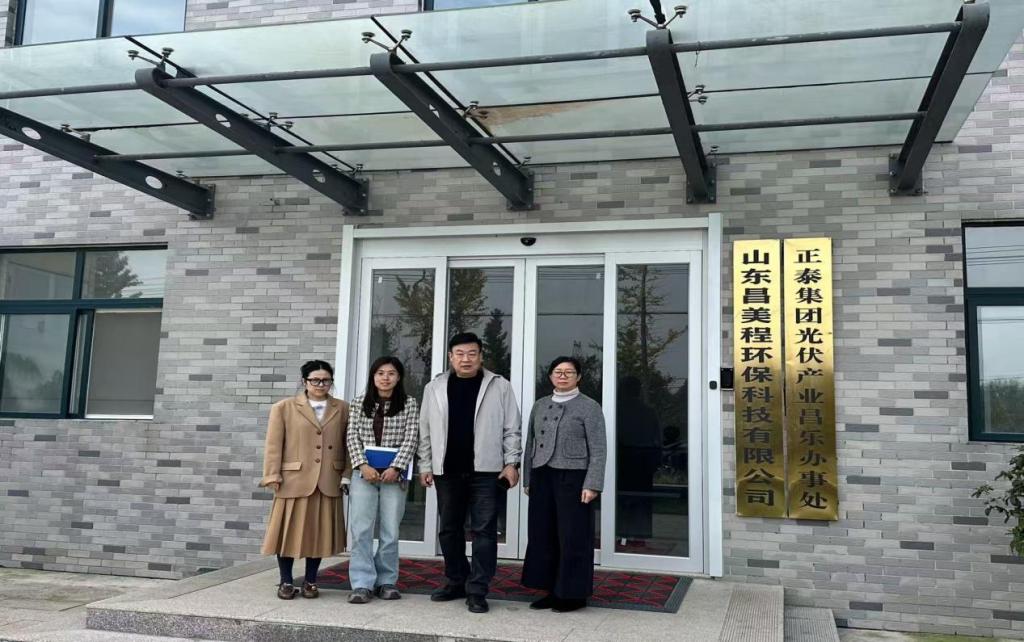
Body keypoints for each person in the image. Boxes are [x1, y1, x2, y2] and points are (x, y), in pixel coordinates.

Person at [418, 332, 522, 614]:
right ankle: (456, 580)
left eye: (472, 353)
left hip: (486, 472)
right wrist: (425, 464)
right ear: (450, 357)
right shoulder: (434, 387)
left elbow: (512, 428)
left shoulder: (499, 386)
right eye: (460, 354)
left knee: (484, 531)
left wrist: (512, 463)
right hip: (447, 471)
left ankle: (477, 590)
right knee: (449, 530)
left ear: (481, 356)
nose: (466, 359)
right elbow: (425, 429)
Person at [521, 356, 606, 613]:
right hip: (542, 475)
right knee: (543, 533)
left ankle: (573, 595)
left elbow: (598, 449)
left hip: (574, 477)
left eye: (569, 372)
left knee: (573, 535)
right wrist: (528, 478)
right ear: (550, 376)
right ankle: (550, 589)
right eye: (558, 371)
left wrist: (593, 484)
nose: (563, 376)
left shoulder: (589, 407)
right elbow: (530, 443)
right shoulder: (540, 405)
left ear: (578, 377)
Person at [259, 360, 349, 600]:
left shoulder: (343, 408)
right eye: (315, 380)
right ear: (304, 382)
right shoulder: (284, 407)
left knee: (318, 533)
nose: (321, 384)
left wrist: (346, 474)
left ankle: (311, 581)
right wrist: (272, 474)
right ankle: (286, 581)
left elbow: (349, 444)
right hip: (293, 479)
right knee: (286, 532)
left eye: (326, 380)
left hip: (327, 479)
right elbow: (273, 444)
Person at [345, 356, 420, 604]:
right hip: (364, 474)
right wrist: (362, 465)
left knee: (390, 530)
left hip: (393, 475)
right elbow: (351, 437)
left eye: (391, 373)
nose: (385, 378)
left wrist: (396, 467)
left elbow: (412, 437)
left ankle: (387, 581)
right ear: (373, 377)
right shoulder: (359, 403)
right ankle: (361, 583)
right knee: (361, 529)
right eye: (380, 373)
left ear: (399, 377)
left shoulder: (409, 403)